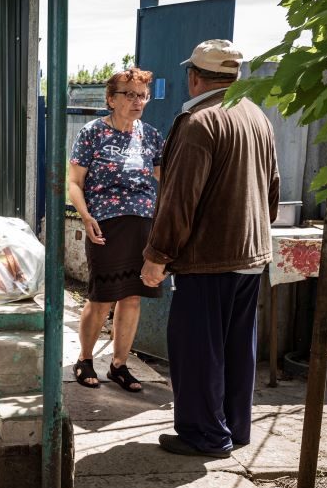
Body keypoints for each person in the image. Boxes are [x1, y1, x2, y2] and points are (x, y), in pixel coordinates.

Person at [140, 39, 280, 457]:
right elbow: (272, 192)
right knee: (238, 347)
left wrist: (157, 256)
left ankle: (204, 434)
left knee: (198, 350)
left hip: (208, 259)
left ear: (195, 76)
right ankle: (234, 428)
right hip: (251, 255)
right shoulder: (257, 117)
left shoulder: (199, 121)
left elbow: (179, 197)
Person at [67, 68, 164, 393]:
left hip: (143, 226)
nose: (138, 101)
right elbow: (74, 183)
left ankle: (120, 365)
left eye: (142, 96)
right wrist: (85, 216)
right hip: (106, 226)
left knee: (133, 297)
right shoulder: (92, 133)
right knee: (102, 298)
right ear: (111, 99)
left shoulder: (150, 136)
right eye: (130, 95)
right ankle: (85, 359)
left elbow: (167, 181)